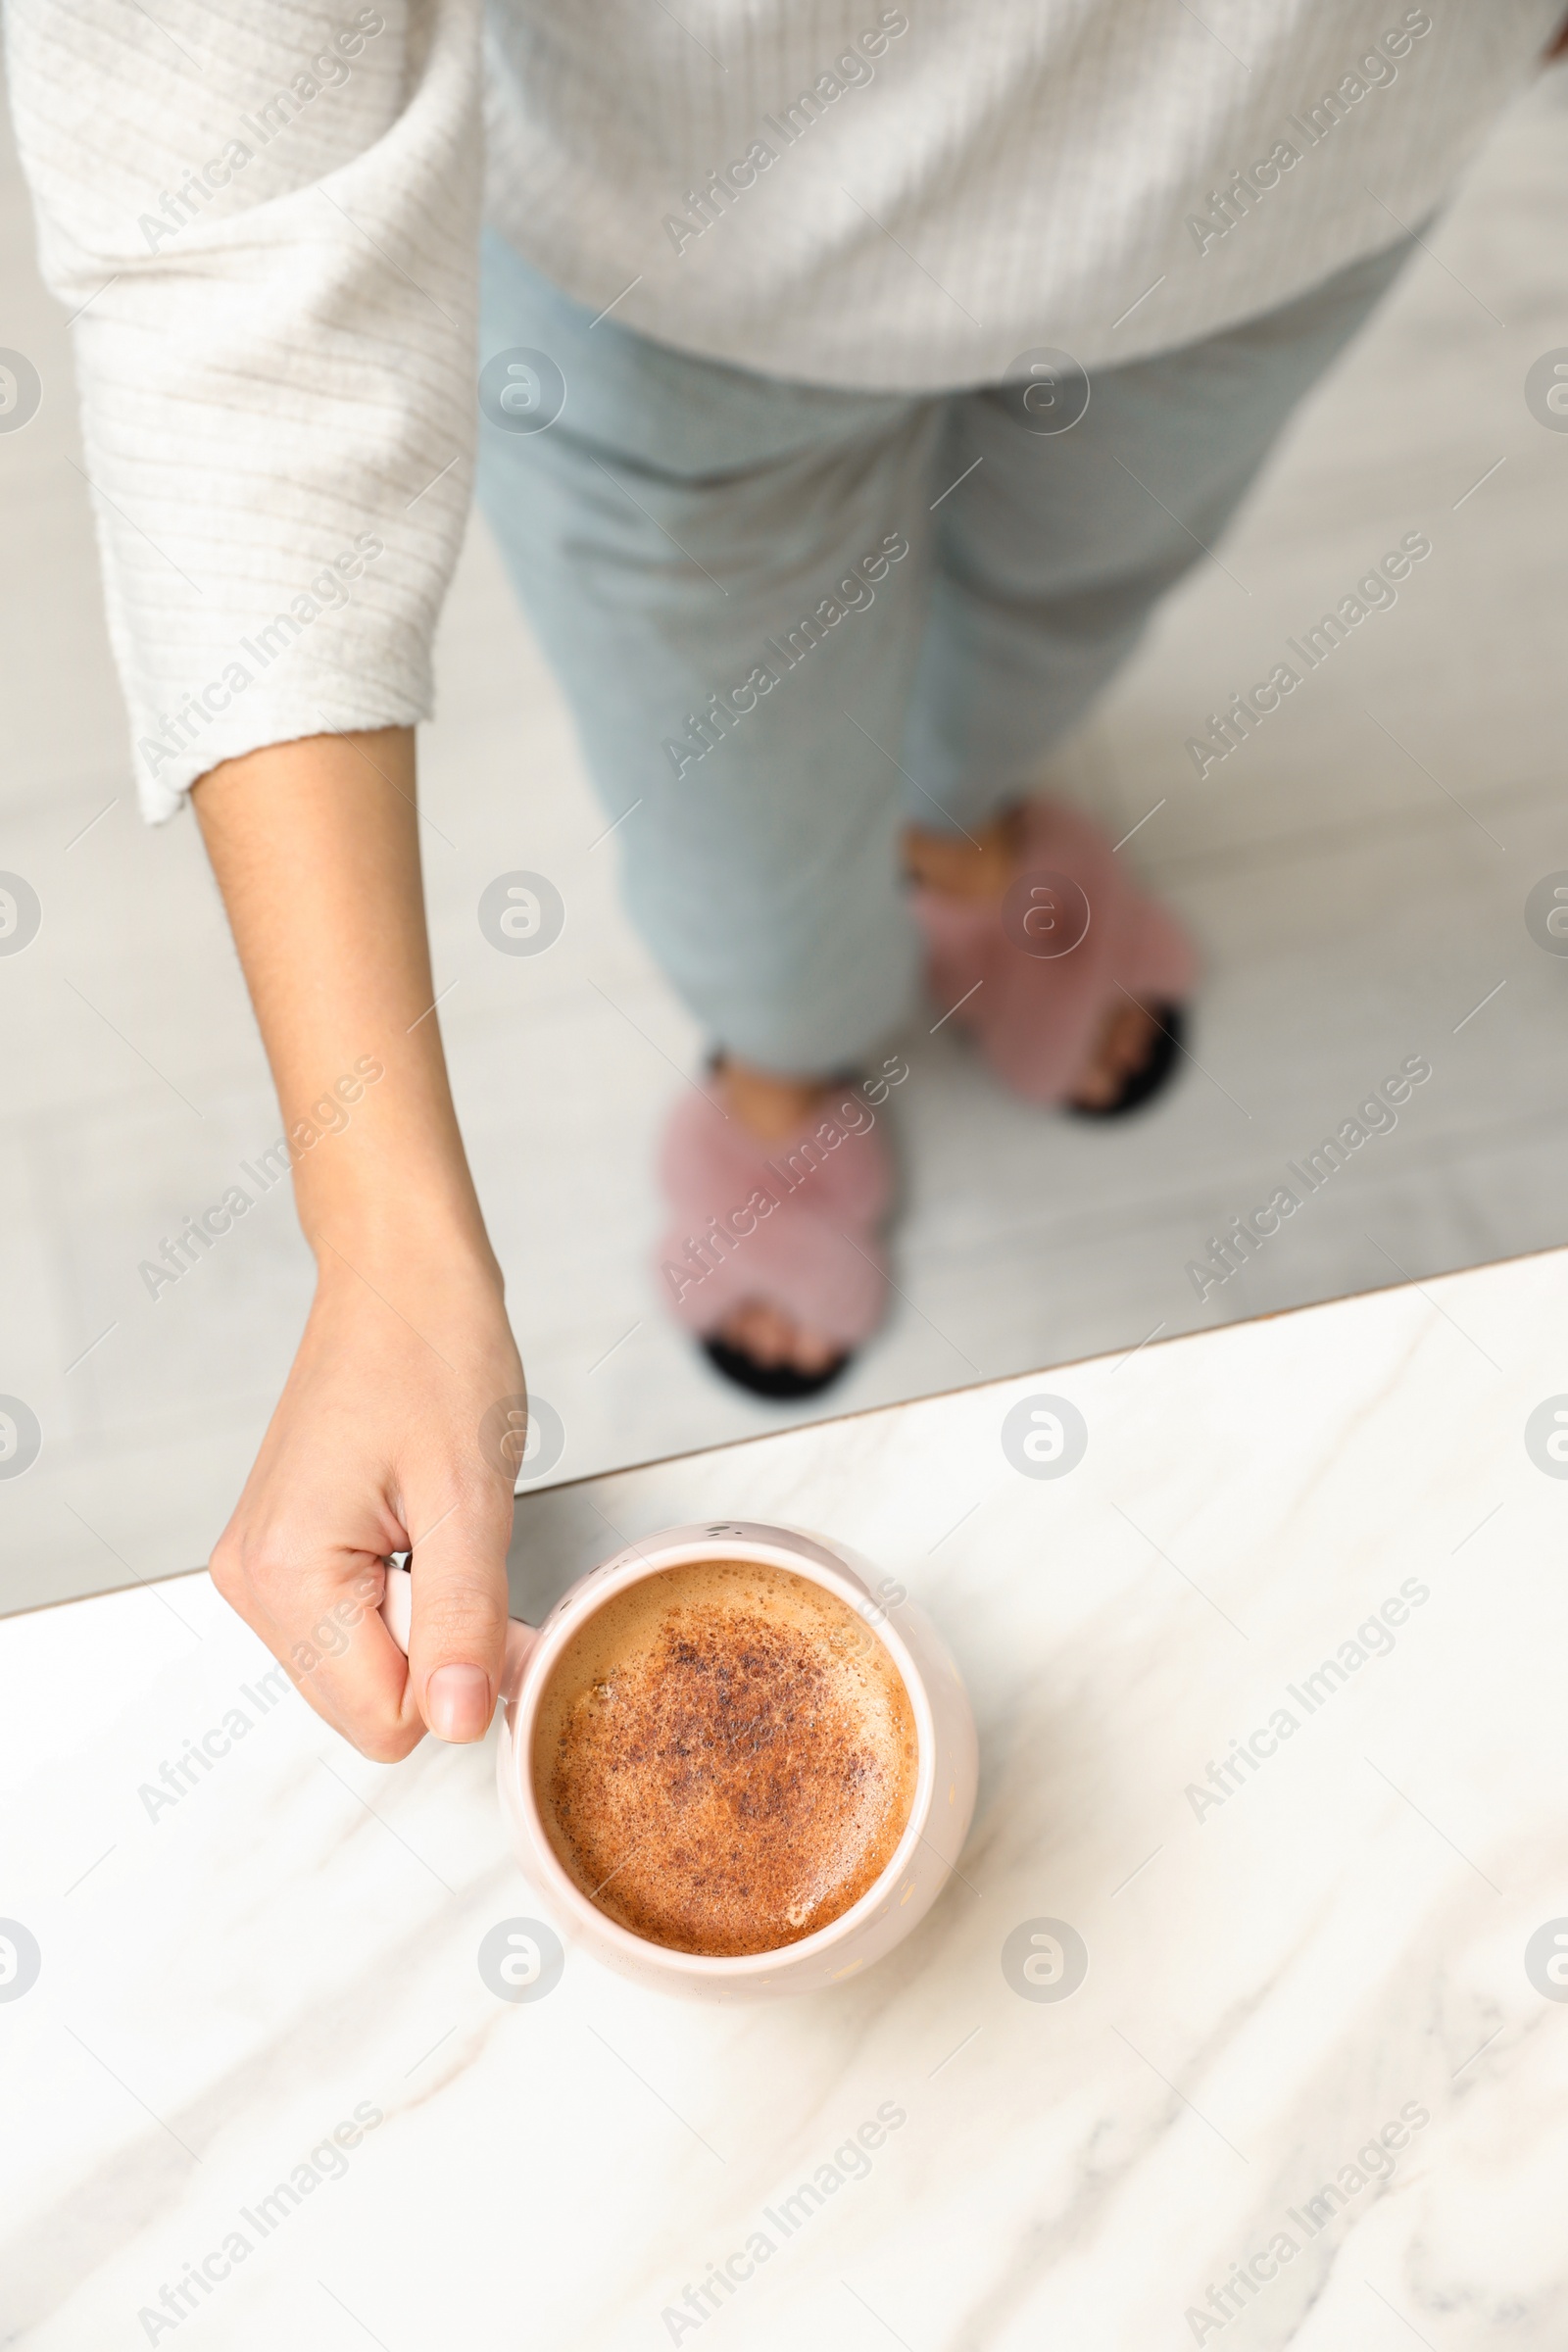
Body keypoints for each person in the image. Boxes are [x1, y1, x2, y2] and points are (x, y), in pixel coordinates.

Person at [9, 0, 1561, 1759]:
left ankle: (961, 832)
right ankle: (783, 1057)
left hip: (1306, 178)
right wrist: (379, 1233)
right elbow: (218, 216)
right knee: (738, 802)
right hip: (691, 269)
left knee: (1065, 616)